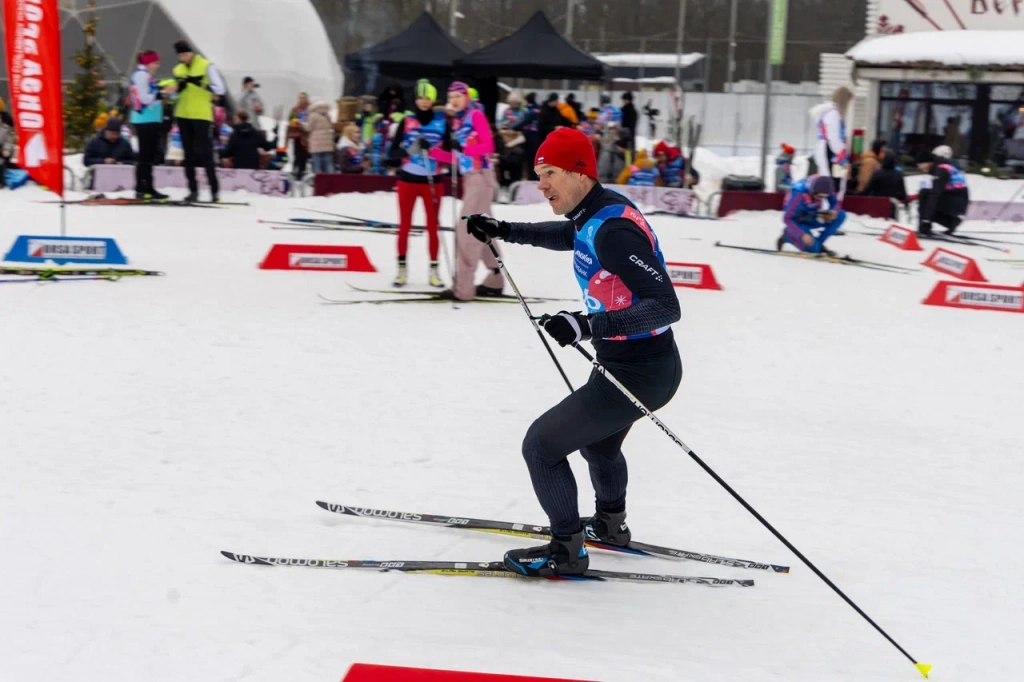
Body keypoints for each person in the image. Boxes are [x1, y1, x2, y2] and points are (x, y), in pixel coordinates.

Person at [463, 128, 682, 576]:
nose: (542, 185)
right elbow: (569, 236)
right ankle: (610, 525)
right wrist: (505, 230)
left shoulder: (615, 231)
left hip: (643, 370)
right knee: (599, 447)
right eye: (539, 175)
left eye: (550, 174)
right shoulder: (594, 213)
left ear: (580, 173)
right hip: (629, 365)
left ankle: (565, 551)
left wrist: (586, 324)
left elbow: (666, 305)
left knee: (541, 446)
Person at [428, 81, 504, 301]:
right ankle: (495, 279)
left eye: (458, 96)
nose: (454, 100)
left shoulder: (475, 116)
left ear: (466, 98)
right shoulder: (458, 121)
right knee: (483, 230)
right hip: (471, 178)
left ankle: (462, 289)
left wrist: (465, 148)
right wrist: (432, 151)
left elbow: (488, 146)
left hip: (481, 177)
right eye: (450, 97)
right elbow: (458, 157)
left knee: (466, 230)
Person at [387, 79, 447, 288]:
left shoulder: (442, 122)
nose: (423, 101)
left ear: (432, 100)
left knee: (433, 226)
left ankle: (434, 271)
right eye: (420, 97)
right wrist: (409, 151)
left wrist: (435, 151)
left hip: (432, 182)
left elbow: (449, 156)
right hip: (407, 180)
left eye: (427, 98)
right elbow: (391, 155)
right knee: (404, 226)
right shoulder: (407, 121)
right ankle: (402, 271)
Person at [171, 39, 226, 202]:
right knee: (188, 155)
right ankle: (193, 191)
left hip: (201, 115)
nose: (184, 58)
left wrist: (202, 85)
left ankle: (214, 191)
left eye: (186, 54)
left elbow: (220, 89)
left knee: (205, 153)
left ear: (192, 52)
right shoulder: (178, 69)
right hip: (183, 114)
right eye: (181, 55)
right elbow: (174, 95)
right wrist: (176, 91)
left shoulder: (206, 65)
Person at [129, 50, 171, 199]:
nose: (158, 66)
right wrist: (161, 93)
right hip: (145, 119)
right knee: (146, 155)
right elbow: (144, 98)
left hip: (149, 119)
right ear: (147, 62)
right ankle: (143, 187)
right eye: (156, 63)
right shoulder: (141, 75)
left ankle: (145, 186)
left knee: (148, 154)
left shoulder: (145, 75)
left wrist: (161, 92)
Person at [777, 174, 846, 256]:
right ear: (813, 191)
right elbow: (787, 219)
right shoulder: (798, 193)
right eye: (819, 196)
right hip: (797, 221)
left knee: (841, 215)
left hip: (812, 215)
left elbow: (836, 203)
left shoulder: (826, 186)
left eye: (825, 197)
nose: (822, 198)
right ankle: (787, 236)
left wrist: (833, 212)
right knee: (813, 249)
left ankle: (818, 245)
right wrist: (801, 234)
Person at [916, 148, 969, 236]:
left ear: (927, 162)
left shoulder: (942, 170)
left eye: (920, 164)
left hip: (957, 201)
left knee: (925, 195)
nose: (919, 167)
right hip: (956, 199)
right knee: (927, 197)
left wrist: (926, 220)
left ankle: (925, 226)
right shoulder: (942, 167)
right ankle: (950, 222)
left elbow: (935, 195)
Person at [809, 86, 852, 193]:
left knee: (827, 183)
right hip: (832, 154)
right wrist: (843, 160)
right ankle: (832, 208)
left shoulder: (825, 113)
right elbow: (834, 139)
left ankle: (829, 207)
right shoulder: (834, 115)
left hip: (825, 151)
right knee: (834, 186)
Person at [863, 153, 908, 218]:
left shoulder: (877, 173)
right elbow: (903, 193)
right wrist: (906, 203)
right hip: (892, 207)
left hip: (877, 205)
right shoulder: (898, 175)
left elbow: (867, 190)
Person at [304, 100, 335, 174]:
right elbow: (331, 126)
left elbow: (309, 128)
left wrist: (302, 125)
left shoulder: (313, 115)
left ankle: (318, 180)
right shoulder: (327, 115)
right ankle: (332, 180)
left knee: (316, 163)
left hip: (316, 143)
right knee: (328, 163)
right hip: (327, 143)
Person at [288, 92, 311, 178]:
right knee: (296, 153)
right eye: (300, 98)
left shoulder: (310, 109)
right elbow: (290, 119)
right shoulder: (295, 109)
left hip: (306, 134)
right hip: (296, 134)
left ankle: (302, 171)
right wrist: (293, 122)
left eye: (303, 98)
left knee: (304, 154)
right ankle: (295, 170)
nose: (302, 100)